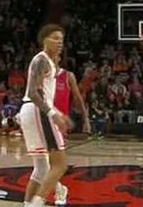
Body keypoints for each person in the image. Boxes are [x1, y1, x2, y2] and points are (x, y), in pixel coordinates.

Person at [18, 25, 70, 207]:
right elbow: (34, 93)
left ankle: (28, 204)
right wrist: (53, 114)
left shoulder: (47, 62)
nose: (59, 43)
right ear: (44, 39)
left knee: (41, 168)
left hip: (31, 111)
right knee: (60, 164)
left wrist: (57, 113)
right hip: (37, 111)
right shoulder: (41, 61)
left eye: (61, 40)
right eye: (55, 38)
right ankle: (37, 204)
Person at [49, 58, 90, 206]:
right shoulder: (43, 76)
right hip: (45, 120)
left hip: (60, 123)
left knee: (53, 162)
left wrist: (86, 120)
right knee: (46, 162)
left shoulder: (68, 76)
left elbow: (78, 98)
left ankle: (59, 190)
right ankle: (58, 189)